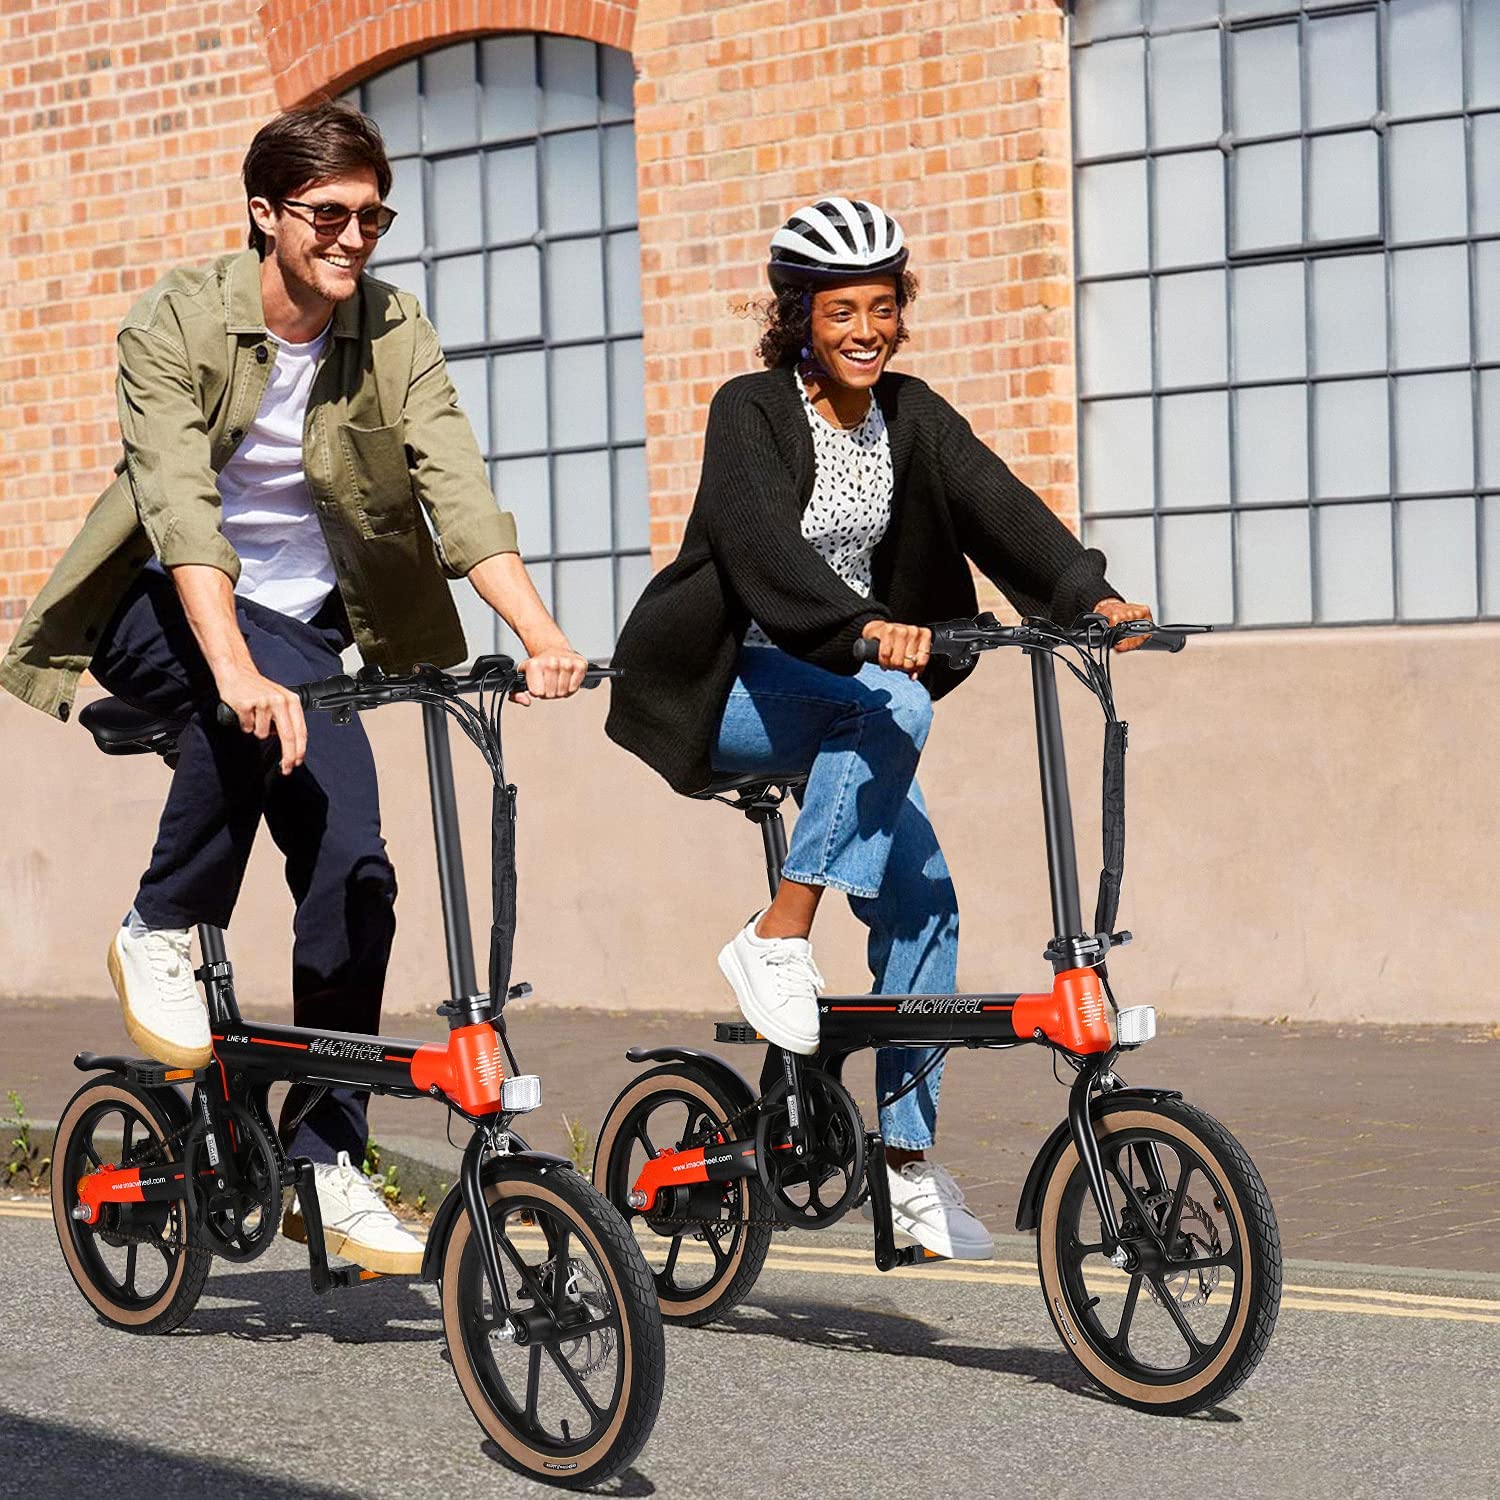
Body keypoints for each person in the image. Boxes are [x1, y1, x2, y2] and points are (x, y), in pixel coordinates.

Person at [0, 103, 587, 1274]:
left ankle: (325, 1153)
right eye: (330, 215)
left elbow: (456, 487)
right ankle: (158, 926)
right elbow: (177, 504)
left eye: (374, 216)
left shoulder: (392, 327)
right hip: (159, 601)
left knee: (355, 871)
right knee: (240, 704)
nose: (355, 237)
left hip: (308, 634)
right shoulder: (176, 315)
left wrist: (540, 634)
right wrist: (235, 667)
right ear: (267, 214)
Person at [606, 198, 1152, 1260]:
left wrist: (1091, 598)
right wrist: (860, 628)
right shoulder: (750, 411)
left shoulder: (909, 413)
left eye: (883, 305)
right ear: (798, 315)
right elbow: (761, 552)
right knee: (895, 700)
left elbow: (999, 505)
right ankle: (778, 935)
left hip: (847, 694)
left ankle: (902, 1168)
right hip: (736, 686)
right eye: (840, 308)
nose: (866, 328)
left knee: (928, 904)